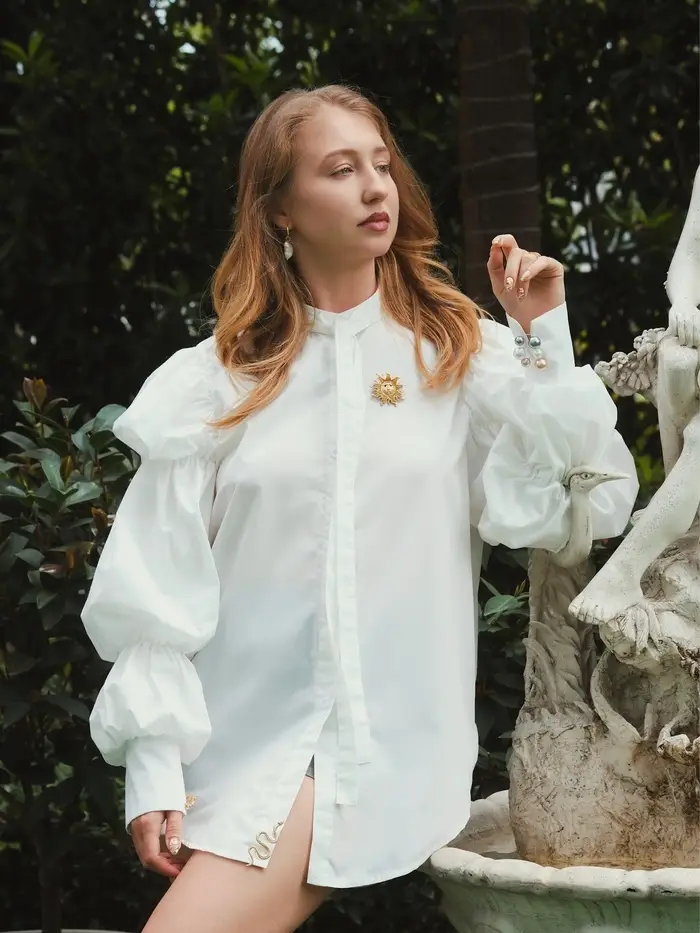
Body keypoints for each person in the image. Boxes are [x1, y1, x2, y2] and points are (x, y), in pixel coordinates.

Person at [80, 84, 639, 933]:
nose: (376, 187)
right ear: (280, 209)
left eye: (381, 164)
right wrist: (153, 763)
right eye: (340, 170)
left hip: (384, 755)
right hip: (237, 755)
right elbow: (156, 587)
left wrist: (541, 336)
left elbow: (580, 504)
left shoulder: (459, 356)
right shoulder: (215, 382)